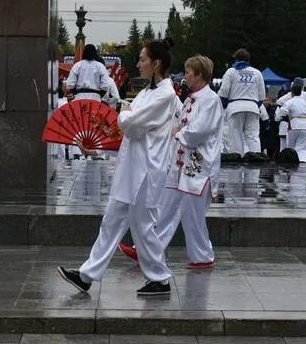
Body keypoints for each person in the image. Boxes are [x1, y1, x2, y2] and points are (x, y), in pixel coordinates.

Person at [57, 39, 179, 296]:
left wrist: (125, 113)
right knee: (112, 221)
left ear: (156, 63)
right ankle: (87, 275)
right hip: (131, 168)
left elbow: (130, 125)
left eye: (143, 59)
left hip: (146, 170)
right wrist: (100, 148)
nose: (139, 64)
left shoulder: (165, 95)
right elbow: (128, 129)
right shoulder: (147, 93)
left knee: (142, 225)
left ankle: (160, 277)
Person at [118, 54, 223, 269]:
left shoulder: (211, 99)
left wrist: (177, 132)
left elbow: (200, 130)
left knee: (193, 215)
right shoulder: (191, 99)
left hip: (198, 167)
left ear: (199, 74)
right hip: (180, 165)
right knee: (165, 208)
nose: (185, 76)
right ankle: (147, 251)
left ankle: (203, 255)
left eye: (188, 72)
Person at [218, 48, 265, 156]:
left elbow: (223, 92)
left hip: (235, 107)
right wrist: (254, 104)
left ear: (237, 59)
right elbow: (261, 95)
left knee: (235, 136)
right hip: (252, 107)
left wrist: (225, 105)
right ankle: (256, 159)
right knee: (253, 136)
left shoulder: (231, 71)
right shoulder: (257, 73)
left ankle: (236, 159)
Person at [278, 79, 306, 162]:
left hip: (293, 125)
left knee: (291, 147)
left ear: (292, 92)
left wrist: (286, 117)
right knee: (302, 148)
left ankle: (291, 162)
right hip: (305, 125)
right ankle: (302, 162)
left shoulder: (289, 101)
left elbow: (283, 112)